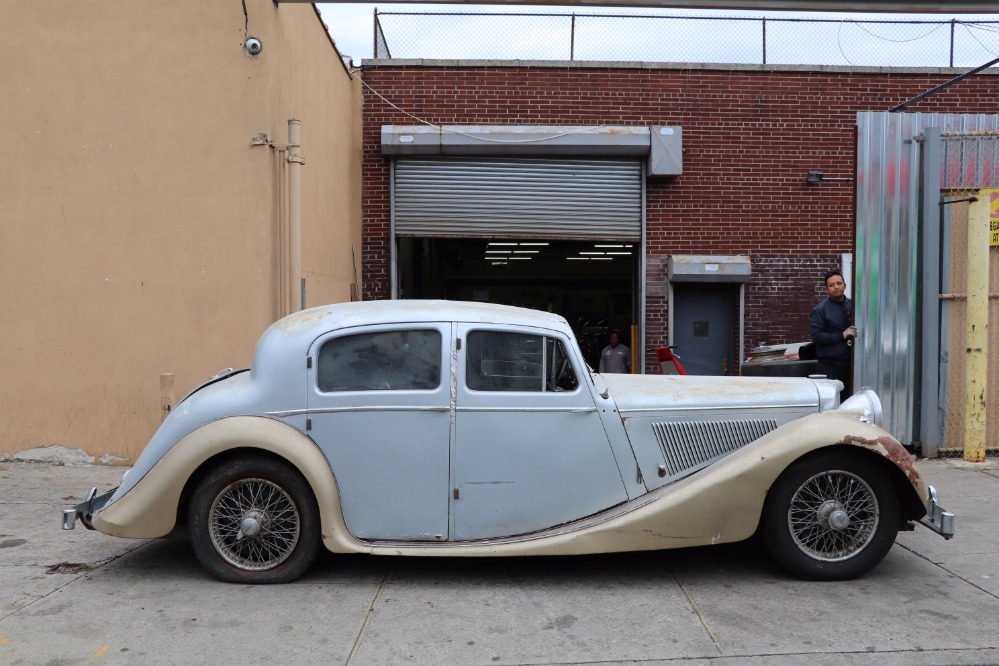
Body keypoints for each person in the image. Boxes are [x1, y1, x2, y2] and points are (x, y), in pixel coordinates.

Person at [809, 269, 857, 401]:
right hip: (830, 367)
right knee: (832, 404)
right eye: (832, 285)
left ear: (845, 286)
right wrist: (841, 336)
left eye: (839, 283)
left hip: (852, 365)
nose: (836, 287)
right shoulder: (820, 310)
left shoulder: (854, 305)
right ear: (826, 289)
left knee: (852, 403)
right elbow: (816, 336)